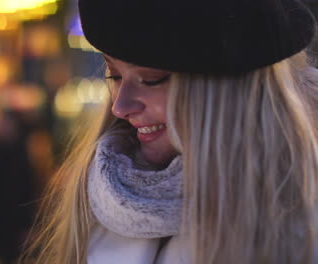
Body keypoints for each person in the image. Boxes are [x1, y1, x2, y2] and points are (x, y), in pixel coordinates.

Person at [20, 0, 318, 263]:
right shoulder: (98, 202)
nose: (119, 107)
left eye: (152, 79)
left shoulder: (302, 227)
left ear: (229, 93)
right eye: (114, 74)